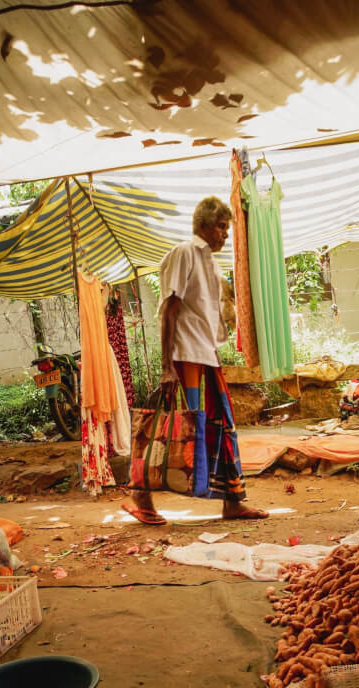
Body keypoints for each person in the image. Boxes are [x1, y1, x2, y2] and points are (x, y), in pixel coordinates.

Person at [124, 196, 269, 526]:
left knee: (221, 428)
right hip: (183, 358)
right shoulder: (185, 253)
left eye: (226, 229)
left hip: (205, 355)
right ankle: (140, 499)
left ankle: (232, 501)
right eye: (221, 227)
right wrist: (165, 367)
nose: (225, 235)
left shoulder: (212, 263)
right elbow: (169, 310)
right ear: (203, 225)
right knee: (167, 430)